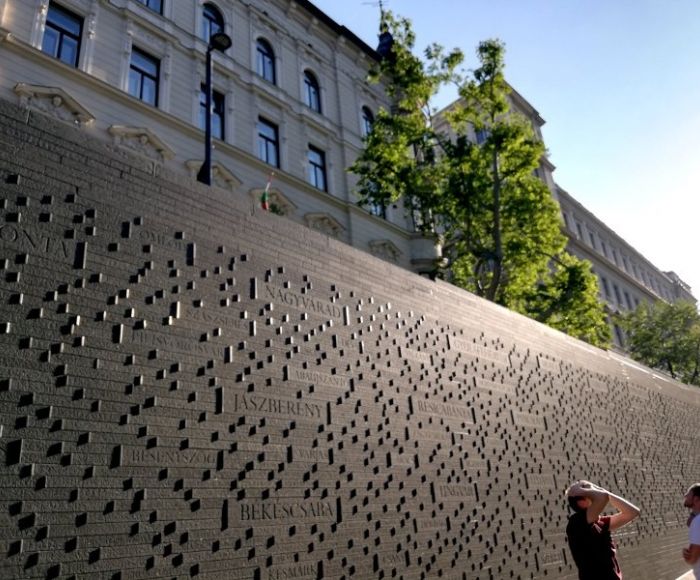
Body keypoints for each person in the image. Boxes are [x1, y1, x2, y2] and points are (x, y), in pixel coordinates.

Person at [565, 480, 640, 579]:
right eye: (590, 490)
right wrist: (583, 490)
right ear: (581, 502)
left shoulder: (601, 522)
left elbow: (633, 512)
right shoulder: (576, 523)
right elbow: (602, 497)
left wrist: (603, 491)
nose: (594, 490)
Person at [683, 483, 700, 579]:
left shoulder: (698, 522)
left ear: (696, 499)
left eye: (688, 493)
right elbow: (689, 522)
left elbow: (692, 559)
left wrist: (687, 556)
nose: (685, 495)